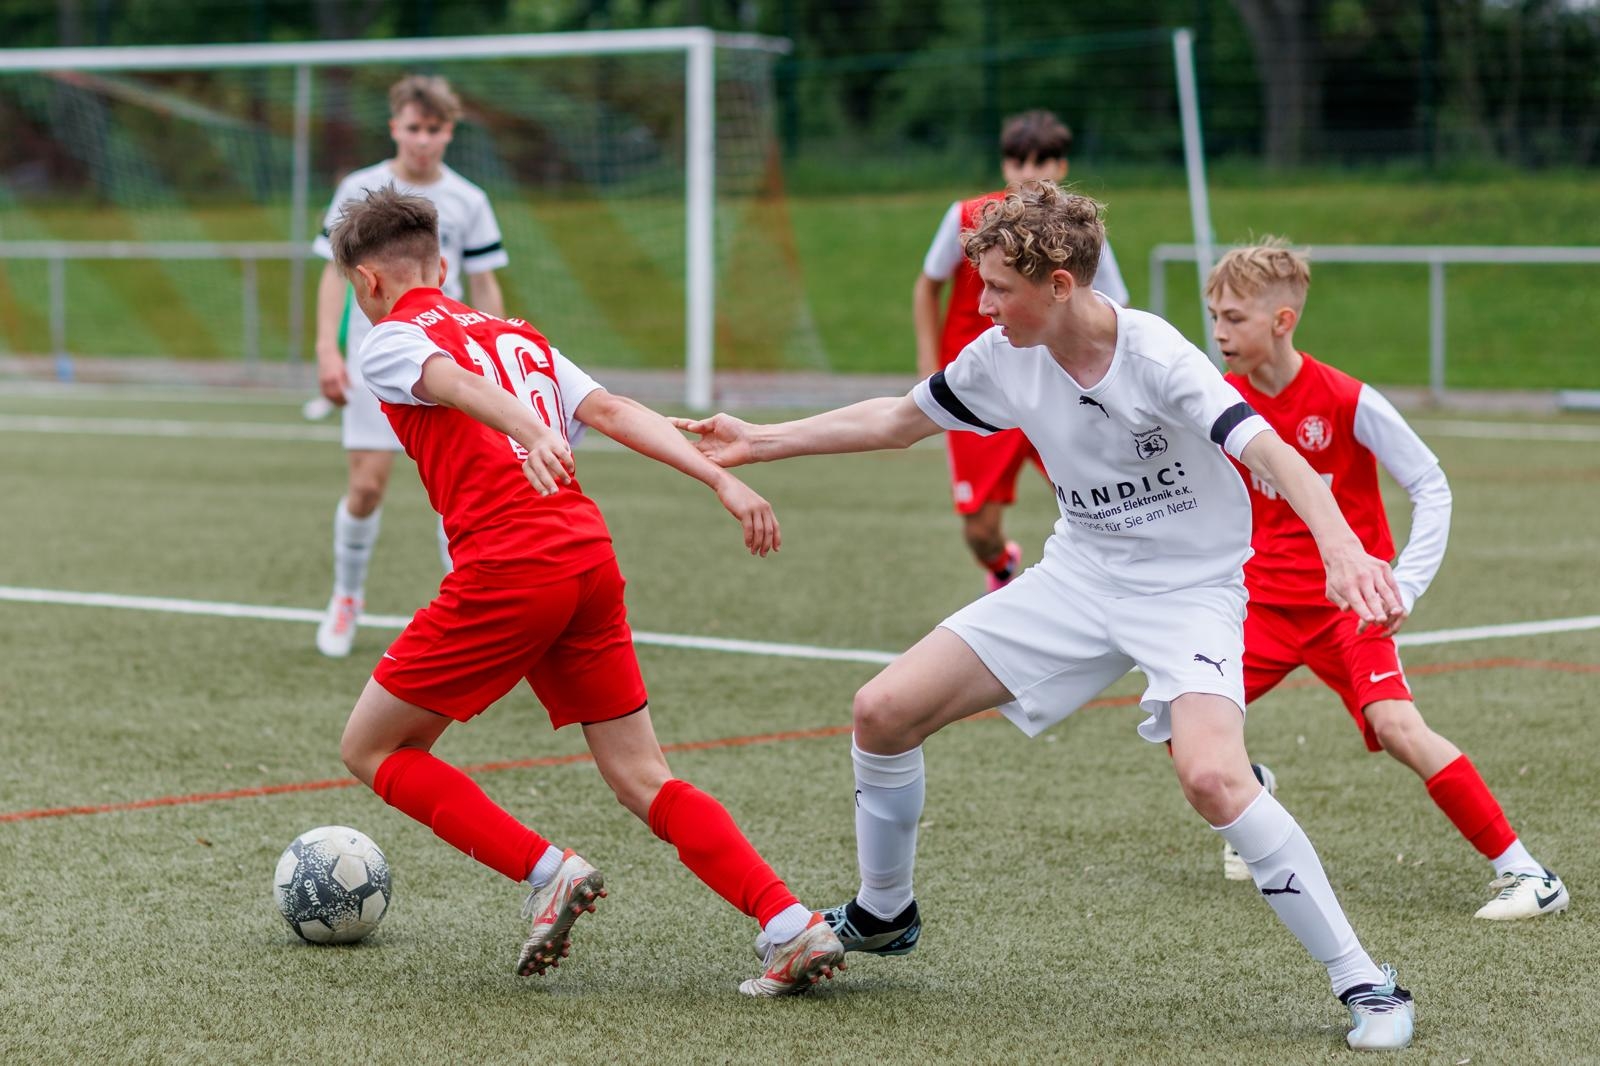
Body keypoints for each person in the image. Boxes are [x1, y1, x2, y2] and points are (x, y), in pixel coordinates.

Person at [677, 183, 1417, 1049]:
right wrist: (760, 440)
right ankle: (884, 913)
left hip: (1188, 593)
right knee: (882, 711)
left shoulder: (1156, 354)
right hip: (1078, 576)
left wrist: (1341, 548)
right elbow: (897, 420)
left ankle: (1368, 984)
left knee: (1214, 778)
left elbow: (1270, 450)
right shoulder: (1001, 356)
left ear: (1059, 285)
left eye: (998, 288)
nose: (983, 306)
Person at [327, 185, 845, 996]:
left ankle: (548, 872)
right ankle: (790, 924)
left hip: (510, 566)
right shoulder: (517, 334)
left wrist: (529, 429)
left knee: (372, 749)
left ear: (367, 281)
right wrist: (718, 478)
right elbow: (610, 408)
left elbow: (450, 382)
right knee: (643, 776)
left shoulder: (389, 336)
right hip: (587, 558)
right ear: (444, 264)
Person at [1207, 239, 1569, 920]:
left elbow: (1431, 484)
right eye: (1214, 317)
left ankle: (1527, 873)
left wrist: (1405, 584)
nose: (1219, 333)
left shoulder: (1346, 399)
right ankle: (1249, 788)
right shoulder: (1221, 402)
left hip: (1349, 608)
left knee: (1398, 726)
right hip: (1261, 608)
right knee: (1181, 717)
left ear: (1282, 321)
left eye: (1234, 318)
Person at [310, 74, 509, 658]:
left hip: (447, 365)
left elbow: (484, 283)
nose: (423, 139)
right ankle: (346, 598)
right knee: (366, 487)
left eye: (435, 129)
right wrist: (326, 348)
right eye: (414, 127)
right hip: (376, 363)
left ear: (450, 131)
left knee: (460, 493)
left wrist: (493, 352)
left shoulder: (468, 199)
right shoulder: (359, 187)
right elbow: (333, 275)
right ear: (395, 127)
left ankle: (470, 612)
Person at [913, 110, 1129, 592]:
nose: (1030, 172)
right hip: (983, 390)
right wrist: (929, 363)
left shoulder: (1079, 231)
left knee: (1103, 503)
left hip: (1058, 385)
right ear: (1005, 166)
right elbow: (927, 285)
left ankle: (1114, 587)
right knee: (980, 532)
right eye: (1018, 161)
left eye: (1042, 161)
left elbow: (1116, 306)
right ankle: (1002, 564)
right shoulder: (968, 217)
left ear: (1061, 166)